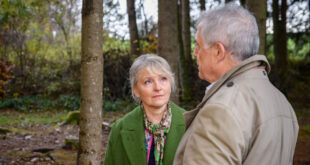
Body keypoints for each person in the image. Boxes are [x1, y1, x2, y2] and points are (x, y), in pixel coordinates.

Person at [173, 3, 299, 165]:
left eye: (198, 45)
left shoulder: (222, 109)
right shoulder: (281, 101)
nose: (195, 53)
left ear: (219, 51)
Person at [104, 54, 186, 165]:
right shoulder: (119, 129)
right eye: (148, 81)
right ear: (136, 90)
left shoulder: (191, 123)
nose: (158, 87)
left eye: (163, 79)